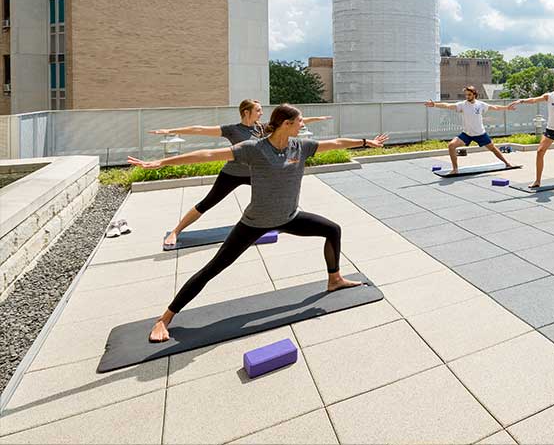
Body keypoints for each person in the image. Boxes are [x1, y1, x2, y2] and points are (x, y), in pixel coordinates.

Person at [128, 104, 387, 342]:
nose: (302, 126)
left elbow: (336, 143)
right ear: (286, 123)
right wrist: (163, 161)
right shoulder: (255, 149)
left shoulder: (301, 146)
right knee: (214, 268)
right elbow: (208, 153)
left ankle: (335, 279)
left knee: (332, 229)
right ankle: (165, 318)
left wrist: (366, 142)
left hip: (289, 217)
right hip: (255, 223)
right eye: (298, 122)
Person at [149, 100, 332, 249]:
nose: (261, 113)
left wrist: (317, 118)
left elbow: (293, 122)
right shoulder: (233, 129)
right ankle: (176, 231)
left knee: (280, 193)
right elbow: (199, 129)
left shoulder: (262, 128)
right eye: (258, 110)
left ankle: (287, 220)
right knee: (207, 203)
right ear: (246, 112)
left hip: (257, 173)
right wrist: (170, 131)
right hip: (233, 173)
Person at [425, 86, 516, 175]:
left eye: (469, 95)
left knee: (493, 149)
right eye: (466, 95)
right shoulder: (462, 105)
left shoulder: (480, 105)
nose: (467, 96)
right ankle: (455, 169)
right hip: (467, 134)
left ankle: (507, 164)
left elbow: (495, 107)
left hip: (480, 134)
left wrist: (507, 108)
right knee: (451, 145)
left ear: (474, 94)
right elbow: (448, 106)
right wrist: (435, 104)